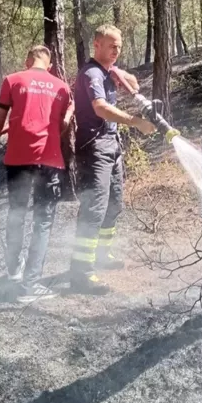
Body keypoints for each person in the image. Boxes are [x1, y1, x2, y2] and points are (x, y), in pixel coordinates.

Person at [0, 45, 72, 298]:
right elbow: (62, 127)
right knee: (43, 221)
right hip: (48, 160)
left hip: (17, 159)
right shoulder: (62, 87)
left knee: (16, 213)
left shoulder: (12, 80)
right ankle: (30, 284)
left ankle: (13, 271)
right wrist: (68, 114)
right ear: (49, 65)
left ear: (28, 60)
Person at [70, 25, 155, 295]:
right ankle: (80, 273)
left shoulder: (107, 71)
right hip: (94, 147)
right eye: (111, 46)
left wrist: (119, 71)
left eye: (119, 46)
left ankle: (102, 255)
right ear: (96, 44)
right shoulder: (92, 73)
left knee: (114, 202)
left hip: (112, 145)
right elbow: (100, 107)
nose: (116, 50)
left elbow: (135, 84)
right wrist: (135, 121)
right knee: (94, 208)